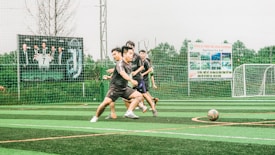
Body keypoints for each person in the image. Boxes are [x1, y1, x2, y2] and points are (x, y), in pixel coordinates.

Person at [90, 46, 143, 123]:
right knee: (105, 103)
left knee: (139, 95)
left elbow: (118, 74)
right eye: (130, 54)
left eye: (132, 54)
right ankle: (96, 116)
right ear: (124, 54)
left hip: (124, 88)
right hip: (115, 88)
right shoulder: (120, 63)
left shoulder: (129, 64)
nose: (132, 56)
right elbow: (122, 73)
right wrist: (131, 80)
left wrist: (109, 77)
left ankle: (129, 112)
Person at [125, 41, 157, 116]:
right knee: (126, 97)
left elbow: (142, 67)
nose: (128, 48)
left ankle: (153, 109)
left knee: (145, 94)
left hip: (138, 79)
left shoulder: (137, 56)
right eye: (127, 46)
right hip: (130, 80)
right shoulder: (126, 56)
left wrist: (136, 72)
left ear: (133, 47)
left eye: (130, 46)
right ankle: (130, 111)